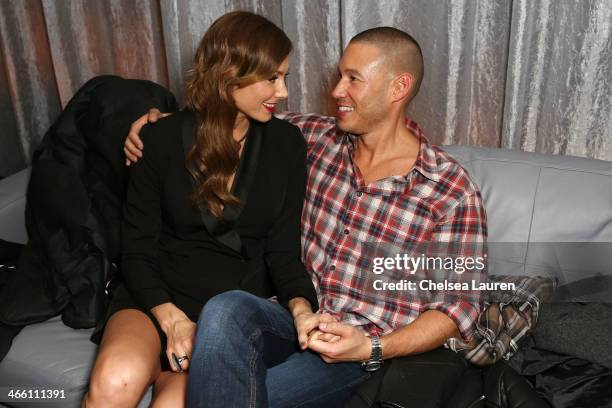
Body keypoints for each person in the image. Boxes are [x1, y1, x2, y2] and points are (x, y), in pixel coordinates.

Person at [125, 27, 487, 408]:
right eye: (339, 76)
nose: (336, 91)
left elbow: (458, 307)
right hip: (291, 319)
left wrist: (373, 347)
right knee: (225, 307)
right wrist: (161, 125)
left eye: (353, 79)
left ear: (398, 88)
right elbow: (229, 112)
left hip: (355, 349)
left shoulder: (449, 189)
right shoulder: (312, 138)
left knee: (238, 397)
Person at [83, 11, 322, 408]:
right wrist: (171, 318)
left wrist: (300, 306)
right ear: (229, 76)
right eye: (272, 78)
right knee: (114, 384)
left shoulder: (287, 144)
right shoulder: (157, 139)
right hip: (154, 297)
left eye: (285, 78)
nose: (282, 92)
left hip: (222, 315)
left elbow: (283, 250)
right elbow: (137, 250)